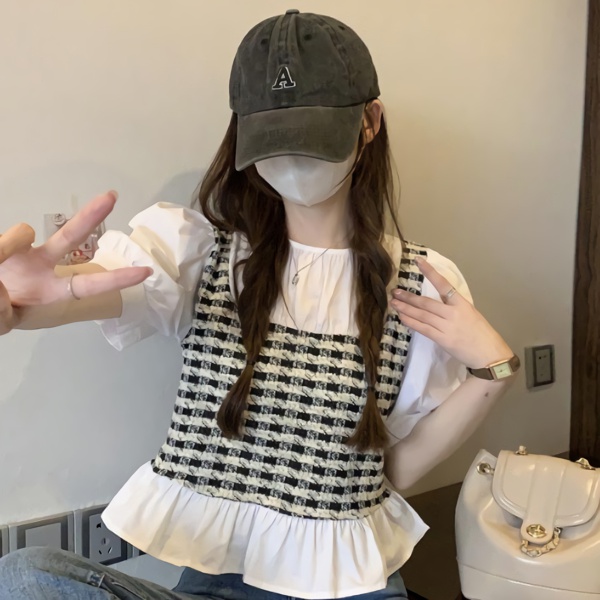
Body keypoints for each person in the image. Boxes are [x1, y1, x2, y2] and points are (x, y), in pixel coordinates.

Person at [0, 9, 519, 600]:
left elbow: (387, 475)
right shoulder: (202, 256)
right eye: (274, 140)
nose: (293, 162)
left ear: (370, 122)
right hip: (216, 586)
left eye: (312, 137)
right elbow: (98, 289)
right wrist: (24, 305)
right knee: (24, 575)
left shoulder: (419, 283)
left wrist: (494, 372)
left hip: (348, 589)